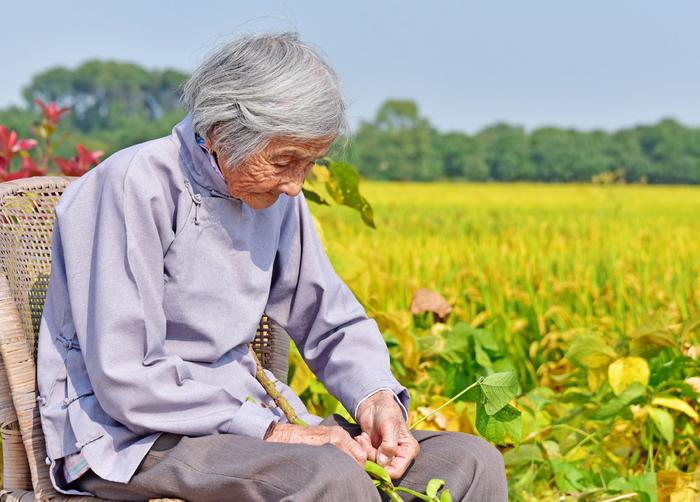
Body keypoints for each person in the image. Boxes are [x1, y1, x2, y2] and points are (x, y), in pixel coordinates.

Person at [36, 32, 508, 501]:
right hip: (131, 436)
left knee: (470, 460)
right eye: (285, 161)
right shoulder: (133, 186)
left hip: (245, 424)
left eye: (310, 164)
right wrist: (272, 431)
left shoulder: (276, 199)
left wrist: (377, 399)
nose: (296, 186)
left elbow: (329, 317)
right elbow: (127, 380)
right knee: (329, 477)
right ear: (222, 132)